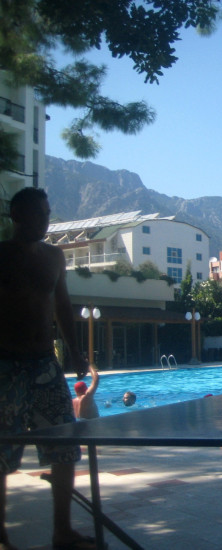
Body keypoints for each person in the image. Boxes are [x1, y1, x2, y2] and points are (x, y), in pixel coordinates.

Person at [0, 187, 96, 549]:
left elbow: (62, 306)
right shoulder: (1, 255)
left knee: (65, 446)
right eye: (38, 213)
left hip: (45, 364)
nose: (45, 219)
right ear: (16, 215)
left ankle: (62, 531)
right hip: (5, 365)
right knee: (1, 451)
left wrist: (75, 352)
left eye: (47, 212)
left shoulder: (54, 257)